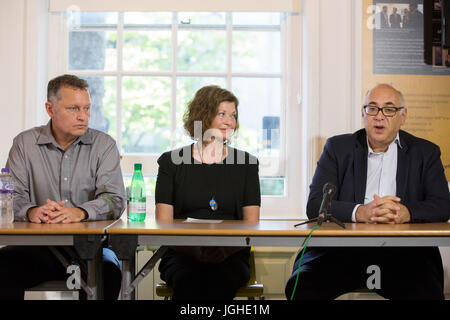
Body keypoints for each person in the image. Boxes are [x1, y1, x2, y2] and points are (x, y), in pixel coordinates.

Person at [285, 83, 450, 300]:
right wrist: (360, 212)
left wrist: (407, 213)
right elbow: (315, 204)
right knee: (302, 285)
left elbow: (442, 205)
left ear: (403, 116)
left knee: (426, 290)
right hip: (340, 250)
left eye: (389, 109)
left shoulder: (425, 152)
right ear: (363, 114)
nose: (379, 116)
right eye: (372, 108)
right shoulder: (338, 147)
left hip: (405, 254)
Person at [0, 74, 126, 300]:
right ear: (50, 108)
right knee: (2, 268)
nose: (83, 116)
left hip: (90, 250)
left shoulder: (104, 145)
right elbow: (12, 195)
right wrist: (31, 210)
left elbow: (114, 198)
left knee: (110, 272)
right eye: (73, 109)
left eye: (87, 108)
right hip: (39, 249)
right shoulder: (24, 143)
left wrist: (80, 212)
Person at [155, 85, 260, 300]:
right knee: (189, 281)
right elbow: (164, 223)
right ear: (203, 115)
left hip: (231, 254)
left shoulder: (247, 164)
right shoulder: (170, 162)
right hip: (181, 253)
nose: (229, 121)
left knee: (220, 282)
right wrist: (194, 251)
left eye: (233, 115)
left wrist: (224, 251)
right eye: (222, 114)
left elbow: (251, 224)